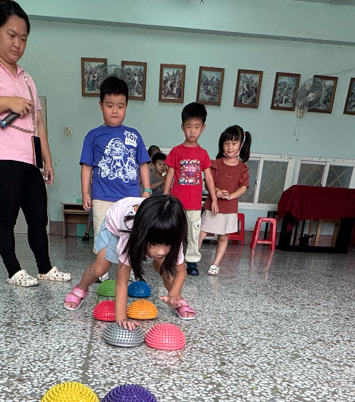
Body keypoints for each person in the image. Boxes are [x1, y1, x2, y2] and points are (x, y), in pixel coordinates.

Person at [0, 0, 70, 287]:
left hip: (29, 159)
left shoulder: (26, 77)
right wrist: (8, 101)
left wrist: (47, 160)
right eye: (11, 35)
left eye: (23, 38)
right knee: (7, 217)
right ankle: (14, 271)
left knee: (38, 218)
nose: (18, 44)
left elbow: (38, 123)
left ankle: (45, 268)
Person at [63, 196, 196, 322]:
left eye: (167, 245)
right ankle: (80, 289)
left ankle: (177, 300)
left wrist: (173, 293)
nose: (160, 251)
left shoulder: (172, 234)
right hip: (115, 224)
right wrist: (121, 319)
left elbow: (181, 272)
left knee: (164, 267)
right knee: (100, 268)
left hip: (147, 227)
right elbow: (121, 282)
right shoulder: (130, 234)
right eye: (154, 244)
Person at [81, 76, 151, 241]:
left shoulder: (134, 135)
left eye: (120, 106)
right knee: (103, 242)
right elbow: (86, 166)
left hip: (131, 199)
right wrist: (85, 193)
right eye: (109, 105)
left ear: (126, 106)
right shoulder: (93, 135)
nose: (115, 111)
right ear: (100, 105)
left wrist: (147, 191)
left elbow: (143, 164)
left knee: (130, 241)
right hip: (102, 199)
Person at [163, 103, 217, 276]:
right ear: (182, 127)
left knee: (193, 233)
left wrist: (214, 199)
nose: (192, 131)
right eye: (189, 127)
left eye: (196, 127)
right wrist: (164, 197)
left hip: (194, 204)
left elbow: (208, 177)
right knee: (174, 232)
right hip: (176, 202)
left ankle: (192, 261)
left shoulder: (203, 153)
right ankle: (172, 259)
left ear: (203, 128)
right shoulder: (176, 151)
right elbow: (170, 175)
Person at [199, 125, 251, 275]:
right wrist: (216, 191)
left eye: (234, 143)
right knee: (201, 233)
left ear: (241, 145)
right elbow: (208, 184)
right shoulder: (215, 164)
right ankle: (190, 259)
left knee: (223, 236)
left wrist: (231, 196)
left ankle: (215, 264)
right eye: (226, 143)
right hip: (212, 206)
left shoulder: (242, 168)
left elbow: (243, 187)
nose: (230, 147)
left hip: (230, 208)